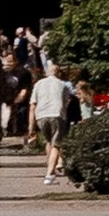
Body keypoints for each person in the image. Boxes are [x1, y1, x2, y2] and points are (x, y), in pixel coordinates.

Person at [30, 53, 79, 186]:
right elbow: (67, 101)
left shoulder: (38, 84)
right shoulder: (62, 85)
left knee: (48, 141)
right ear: (57, 73)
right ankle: (50, 173)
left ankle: (50, 165)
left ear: (47, 72)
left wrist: (31, 127)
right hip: (57, 114)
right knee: (57, 144)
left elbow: (32, 105)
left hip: (41, 115)